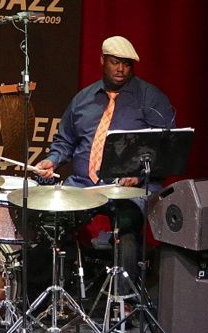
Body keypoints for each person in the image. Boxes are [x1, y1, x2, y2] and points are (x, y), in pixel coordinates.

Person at [31, 35, 176, 279]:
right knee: (53, 219)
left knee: (127, 224)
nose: (121, 69)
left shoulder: (151, 98)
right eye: (115, 62)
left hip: (128, 186)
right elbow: (65, 141)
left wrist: (139, 175)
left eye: (126, 64)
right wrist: (53, 159)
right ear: (102, 61)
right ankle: (62, 286)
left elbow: (166, 148)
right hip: (84, 183)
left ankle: (124, 295)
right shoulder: (83, 99)